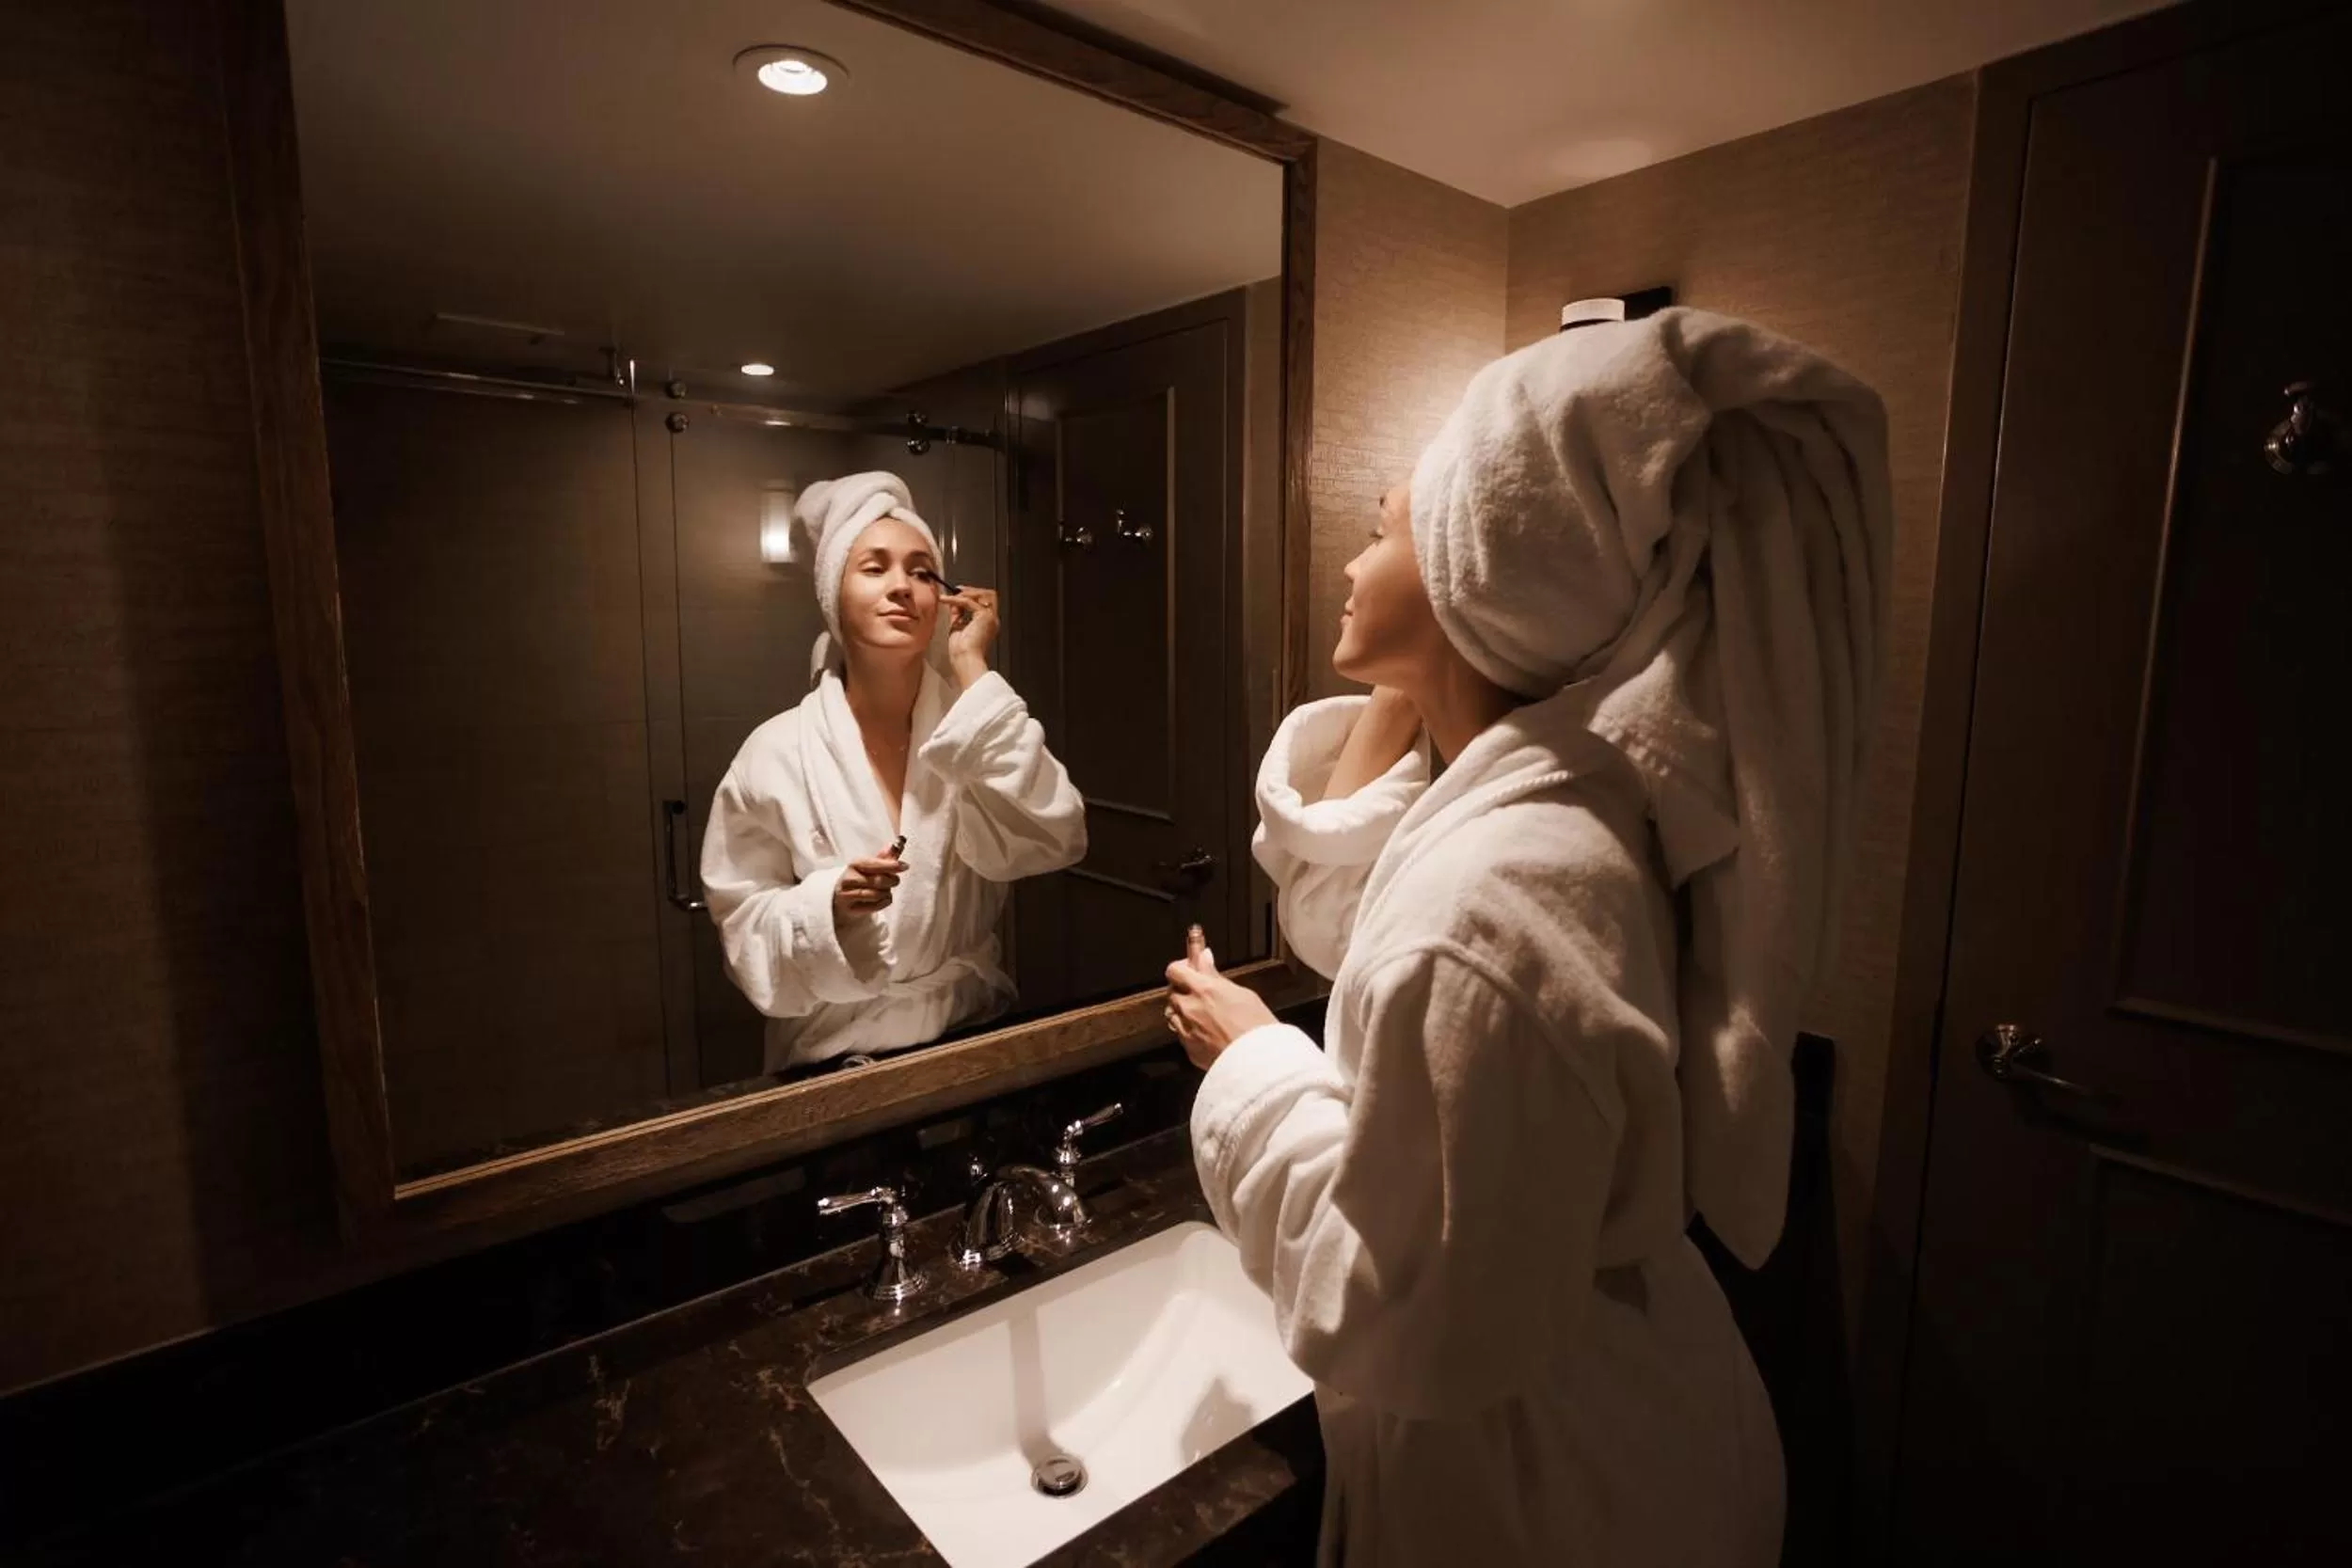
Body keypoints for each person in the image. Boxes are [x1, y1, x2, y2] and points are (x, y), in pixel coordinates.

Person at [1163, 309, 1891, 1565]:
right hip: (1618, 1427)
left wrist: (1248, 1060)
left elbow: (1402, 1305)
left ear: (1467, 569)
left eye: (1384, 527)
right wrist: (1431, 661)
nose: (1348, 559)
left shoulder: (1498, 891)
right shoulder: (1560, 808)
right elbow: (1351, 917)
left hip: (1562, 1498)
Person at [702, 472, 1086, 1073]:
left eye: (922, 570)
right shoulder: (773, 752)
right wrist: (827, 909)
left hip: (969, 1038)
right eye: (874, 567)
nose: (902, 587)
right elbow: (741, 919)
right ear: (834, 592)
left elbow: (1053, 835)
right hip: (833, 1057)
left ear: (943, 599)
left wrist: (970, 665)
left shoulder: (973, 732)